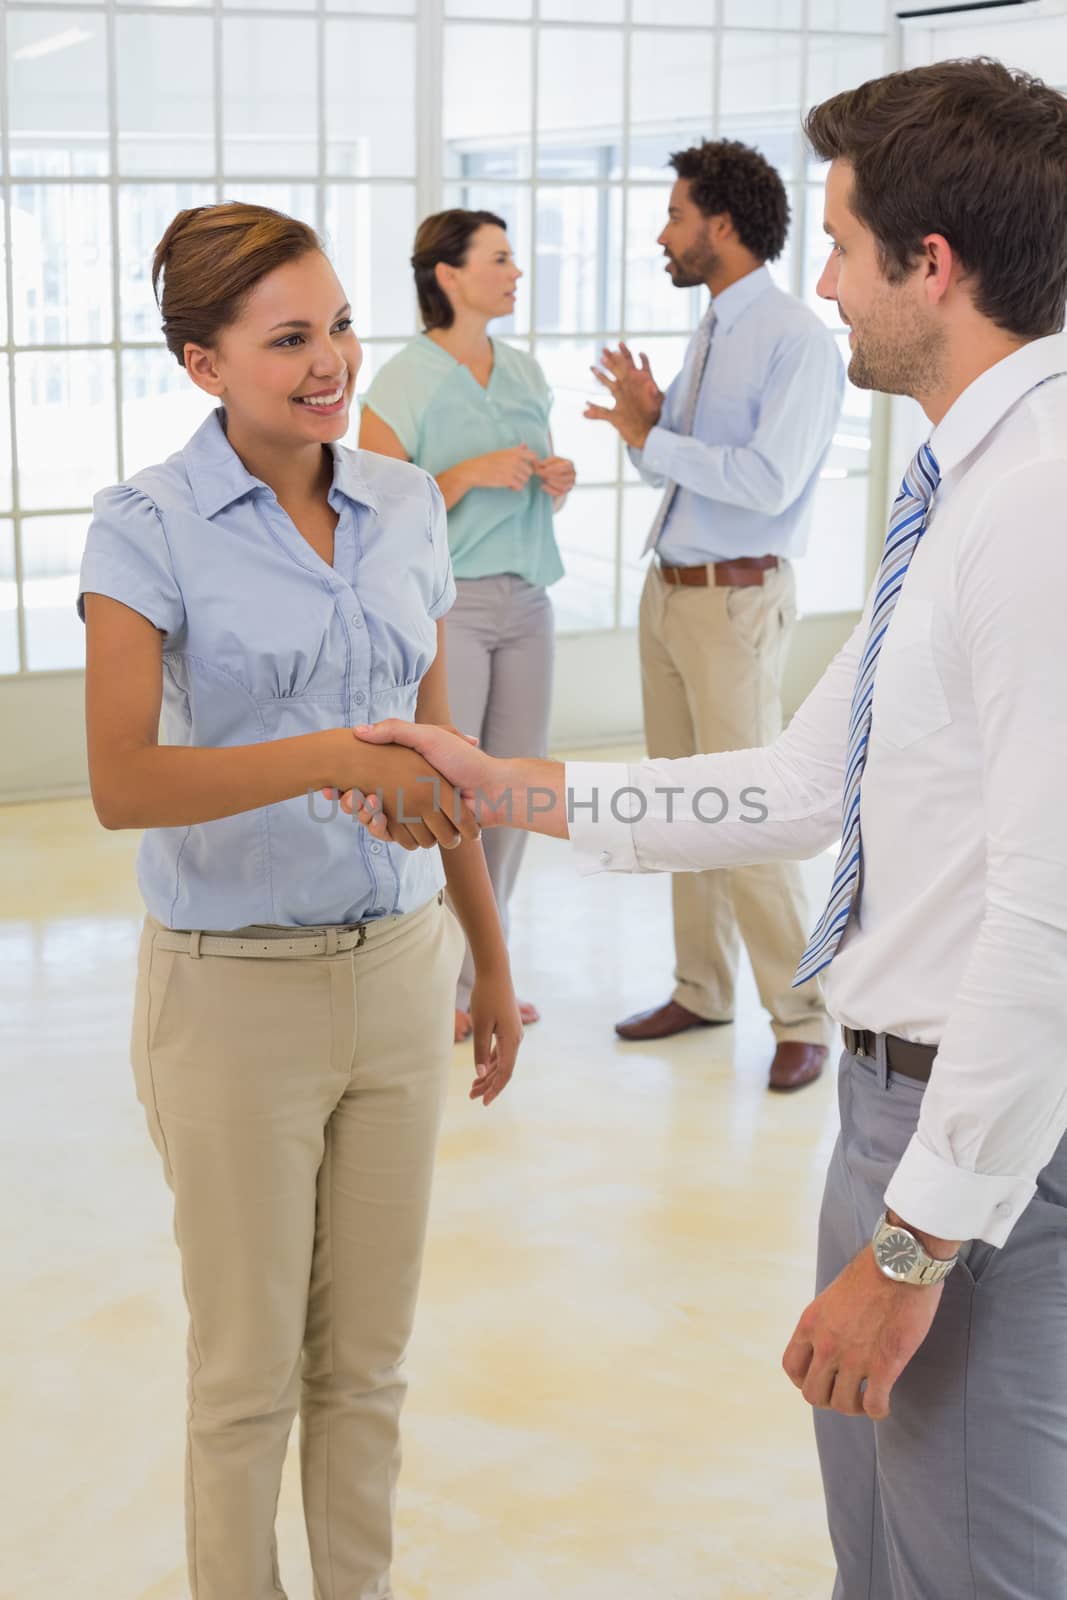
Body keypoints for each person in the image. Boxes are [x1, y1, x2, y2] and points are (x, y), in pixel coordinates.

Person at [342, 59, 1067, 1598]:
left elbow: (1047, 918)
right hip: (893, 1121)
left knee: (963, 1572)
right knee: (877, 1557)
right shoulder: (968, 480)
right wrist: (501, 782)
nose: (821, 279)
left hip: (965, 1152)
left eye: (840, 241)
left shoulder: (1037, 504)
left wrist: (907, 1249)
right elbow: (801, 785)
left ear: (928, 269)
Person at [77, 201, 522, 1600]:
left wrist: (488, 961)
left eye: (335, 324)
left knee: (369, 1367)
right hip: (230, 998)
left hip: (397, 975)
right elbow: (125, 782)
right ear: (204, 365)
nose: (329, 361)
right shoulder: (142, 527)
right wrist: (333, 756)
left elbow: (442, 756)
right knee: (246, 1377)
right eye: (286, 339)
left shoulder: (396, 502)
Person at [586, 139, 844, 1093]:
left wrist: (661, 436)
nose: (664, 232)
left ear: (720, 225)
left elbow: (769, 483)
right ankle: (702, 988)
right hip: (673, 594)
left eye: (674, 214)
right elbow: (674, 468)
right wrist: (646, 425)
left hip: (734, 600)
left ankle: (802, 1012)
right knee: (679, 808)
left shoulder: (793, 338)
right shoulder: (711, 328)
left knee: (746, 811)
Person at [359, 209, 575, 1044]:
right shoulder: (401, 382)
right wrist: (461, 476)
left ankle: (485, 973)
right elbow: (373, 517)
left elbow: (537, 478)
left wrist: (554, 477)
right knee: (450, 797)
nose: (515, 271)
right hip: (452, 606)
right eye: (499, 258)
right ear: (447, 275)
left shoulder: (523, 371)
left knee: (514, 796)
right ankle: (436, 981)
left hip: (529, 600)